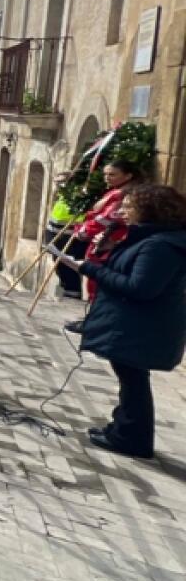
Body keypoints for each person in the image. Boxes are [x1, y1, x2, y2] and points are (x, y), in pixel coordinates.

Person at [49, 184, 186, 459]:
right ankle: (123, 429)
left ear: (149, 210)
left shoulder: (161, 246)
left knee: (134, 380)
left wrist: (89, 269)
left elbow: (140, 287)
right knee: (131, 379)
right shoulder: (150, 239)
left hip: (141, 326)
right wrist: (109, 250)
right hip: (136, 324)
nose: (123, 211)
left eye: (129, 206)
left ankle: (132, 437)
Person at [68, 161, 141, 328]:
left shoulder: (123, 194)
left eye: (112, 174)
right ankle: (93, 319)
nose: (107, 178)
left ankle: (95, 322)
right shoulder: (113, 191)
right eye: (105, 174)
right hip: (103, 240)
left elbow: (107, 218)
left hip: (109, 242)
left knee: (98, 283)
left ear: (128, 175)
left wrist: (82, 232)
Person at [44, 176, 87, 300]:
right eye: (57, 182)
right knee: (59, 265)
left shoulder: (80, 197)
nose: (58, 185)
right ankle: (66, 288)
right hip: (54, 233)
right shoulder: (62, 195)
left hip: (69, 236)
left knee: (69, 266)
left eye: (61, 182)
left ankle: (72, 293)